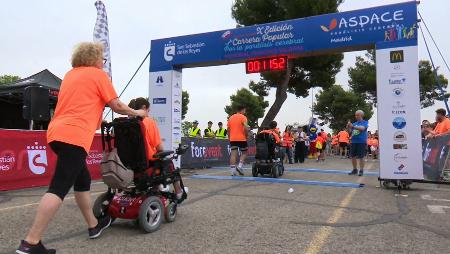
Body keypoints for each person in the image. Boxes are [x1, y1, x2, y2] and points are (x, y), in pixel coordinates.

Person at [16, 42, 148, 254]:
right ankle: (31, 243)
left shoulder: (70, 75)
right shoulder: (98, 75)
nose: (103, 63)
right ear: (94, 59)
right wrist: (138, 113)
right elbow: (117, 106)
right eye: (102, 59)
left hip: (56, 133)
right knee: (58, 188)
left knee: (82, 179)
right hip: (74, 135)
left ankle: (94, 225)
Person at [129, 98, 184, 200]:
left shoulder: (127, 124)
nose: (148, 114)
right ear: (144, 108)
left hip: (129, 164)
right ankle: (179, 192)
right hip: (147, 163)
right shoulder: (149, 122)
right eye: (148, 111)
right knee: (169, 163)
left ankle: (158, 188)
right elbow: (159, 147)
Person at [227, 106, 249, 176]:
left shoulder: (231, 118)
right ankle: (239, 166)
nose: (245, 112)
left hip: (233, 139)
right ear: (242, 110)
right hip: (242, 138)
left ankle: (233, 171)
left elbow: (228, 129)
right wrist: (246, 135)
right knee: (244, 153)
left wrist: (229, 137)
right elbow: (246, 127)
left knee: (233, 154)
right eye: (244, 110)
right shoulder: (243, 117)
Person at [348, 110, 369, 176]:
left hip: (361, 142)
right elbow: (350, 132)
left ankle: (361, 170)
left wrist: (353, 126)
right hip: (353, 141)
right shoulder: (354, 123)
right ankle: (355, 169)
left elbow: (362, 128)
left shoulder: (365, 122)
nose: (356, 116)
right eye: (355, 115)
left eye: (357, 115)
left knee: (361, 156)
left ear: (361, 115)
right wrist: (348, 126)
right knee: (353, 156)